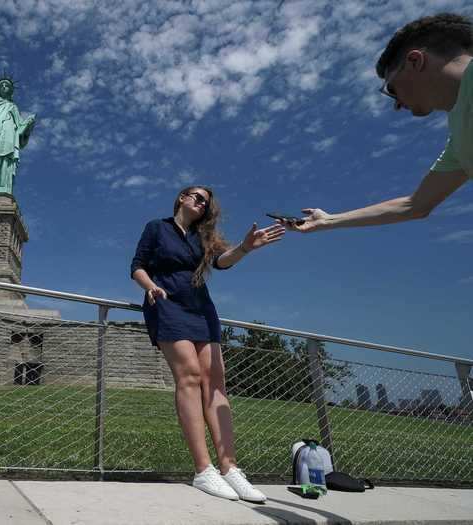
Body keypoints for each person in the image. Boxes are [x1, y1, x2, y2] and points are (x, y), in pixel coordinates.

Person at [130, 186, 285, 502]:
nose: (201, 202)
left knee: (216, 381)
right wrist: (150, 286)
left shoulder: (202, 237)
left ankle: (230, 469)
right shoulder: (156, 227)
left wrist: (245, 247)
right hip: (166, 302)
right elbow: (137, 265)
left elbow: (222, 262)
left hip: (202, 309)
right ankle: (204, 470)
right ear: (181, 198)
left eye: (206, 201)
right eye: (196, 196)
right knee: (189, 375)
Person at [283, 13, 471, 233]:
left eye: (391, 89)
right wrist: (327, 221)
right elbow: (414, 206)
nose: (397, 104)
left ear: (414, 61)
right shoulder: (459, 139)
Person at [0, 33, 36, 194]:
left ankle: (2, 185)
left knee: (4, 159)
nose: (3, 86)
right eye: (1, 84)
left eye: (7, 85)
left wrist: (28, 125)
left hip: (8, 135)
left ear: (10, 90)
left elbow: (20, 132)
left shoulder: (13, 107)